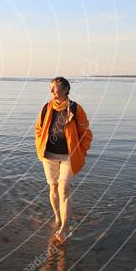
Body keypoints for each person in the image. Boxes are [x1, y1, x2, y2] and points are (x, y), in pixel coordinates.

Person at [34, 77, 93, 242]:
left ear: (65, 90)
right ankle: (58, 218)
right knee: (53, 189)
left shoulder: (75, 108)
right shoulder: (47, 107)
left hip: (69, 155)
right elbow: (38, 128)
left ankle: (65, 228)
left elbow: (86, 133)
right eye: (51, 88)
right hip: (49, 155)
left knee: (64, 189)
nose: (51, 91)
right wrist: (40, 143)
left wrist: (82, 150)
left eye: (54, 88)